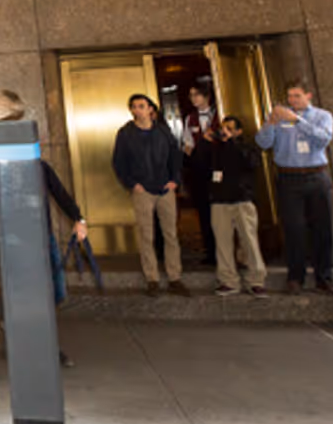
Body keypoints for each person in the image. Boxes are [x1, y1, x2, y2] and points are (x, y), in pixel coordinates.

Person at [0, 160, 88, 368]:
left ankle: (17, 326)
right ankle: (43, 346)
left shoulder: (40, 167)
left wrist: (78, 218)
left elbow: (59, 192)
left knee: (57, 291)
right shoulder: (3, 169)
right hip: (17, 242)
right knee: (34, 297)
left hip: (44, 238)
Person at [255, 80, 333, 295]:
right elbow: (263, 143)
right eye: (289, 96)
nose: (292, 100)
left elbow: (323, 140)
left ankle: (324, 277)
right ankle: (295, 277)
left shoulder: (323, 116)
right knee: (293, 229)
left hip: (316, 176)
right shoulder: (279, 117)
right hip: (288, 179)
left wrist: (298, 120)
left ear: (308, 95)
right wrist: (270, 123)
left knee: (322, 229)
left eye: (296, 96)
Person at [112, 94, 188, 297]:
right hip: (142, 190)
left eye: (141, 106)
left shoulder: (163, 131)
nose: (137, 110)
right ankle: (152, 279)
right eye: (134, 107)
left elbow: (175, 156)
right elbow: (119, 162)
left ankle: (174, 277)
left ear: (150, 110)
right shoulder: (126, 133)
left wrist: (175, 180)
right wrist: (132, 184)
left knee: (170, 234)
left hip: (165, 188)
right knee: (147, 235)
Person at [207, 117, 268, 297]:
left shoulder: (247, 147)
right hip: (219, 201)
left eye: (230, 128)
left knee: (249, 241)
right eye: (223, 128)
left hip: (242, 199)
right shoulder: (215, 148)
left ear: (239, 132)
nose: (225, 131)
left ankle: (256, 281)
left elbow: (251, 163)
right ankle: (228, 281)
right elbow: (200, 165)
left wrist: (232, 142)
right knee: (223, 243)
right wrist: (206, 142)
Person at [182, 81, 220, 266]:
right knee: (204, 213)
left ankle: (228, 252)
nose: (193, 99)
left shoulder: (219, 114)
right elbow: (188, 144)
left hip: (220, 169)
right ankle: (210, 252)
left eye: (196, 94)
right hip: (200, 170)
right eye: (191, 95)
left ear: (207, 96)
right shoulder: (190, 118)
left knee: (222, 212)